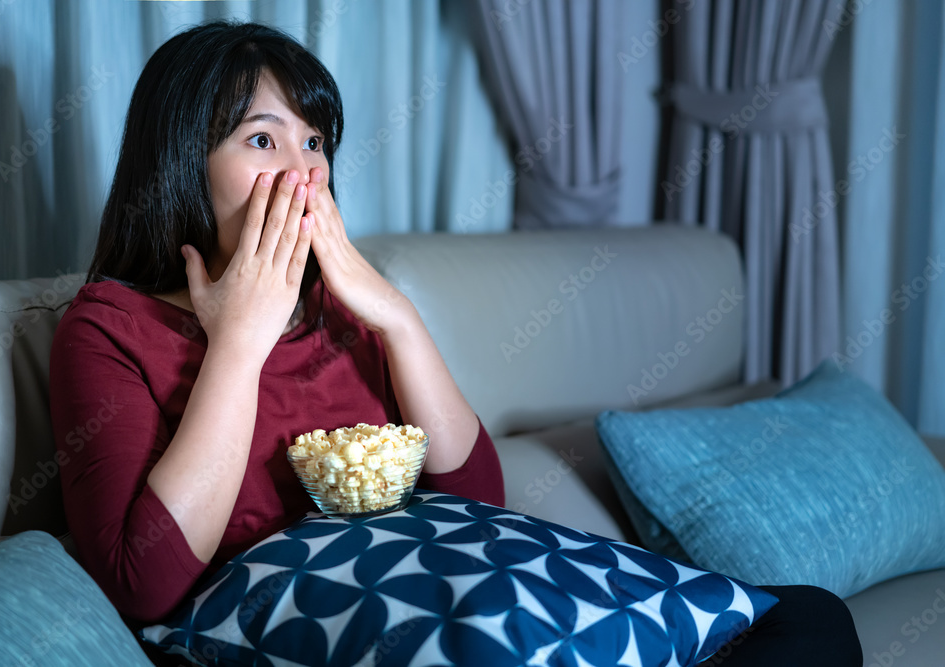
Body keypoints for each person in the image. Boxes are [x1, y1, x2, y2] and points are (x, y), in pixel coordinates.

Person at [48, 20, 861, 666]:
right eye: (263, 140)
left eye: (315, 142)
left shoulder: (342, 311)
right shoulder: (108, 328)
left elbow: (478, 496)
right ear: (184, 164)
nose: (304, 173)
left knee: (810, 621)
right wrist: (238, 341)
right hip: (326, 614)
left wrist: (395, 313)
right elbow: (144, 584)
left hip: (451, 579)